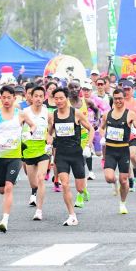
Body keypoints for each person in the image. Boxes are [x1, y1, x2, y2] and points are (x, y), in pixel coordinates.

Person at [0, 85, 36, 233]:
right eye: (4, 97)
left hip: (15, 156)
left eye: (9, 97)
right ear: (0, 98)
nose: (6, 100)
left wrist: (29, 133)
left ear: (14, 98)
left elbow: (33, 125)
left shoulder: (20, 114)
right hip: (0, 156)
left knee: (9, 187)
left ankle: (5, 220)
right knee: (2, 189)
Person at [48, 87, 95, 225]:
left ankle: (83, 190)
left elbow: (91, 129)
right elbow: (49, 132)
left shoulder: (76, 113)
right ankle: (72, 215)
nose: (58, 101)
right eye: (56, 98)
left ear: (66, 99)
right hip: (61, 155)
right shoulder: (53, 115)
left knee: (79, 188)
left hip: (76, 154)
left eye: (61, 98)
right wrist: (48, 142)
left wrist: (88, 145)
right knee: (65, 184)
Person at [22, 86, 52, 220]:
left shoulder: (47, 112)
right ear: (31, 97)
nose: (38, 99)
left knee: (41, 179)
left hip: (42, 149)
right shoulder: (25, 112)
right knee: (34, 184)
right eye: (36, 96)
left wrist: (50, 137)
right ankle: (34, 191)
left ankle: (39, 211)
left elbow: (52, 126)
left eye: (41, 96)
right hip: (28, 150)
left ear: (44, 98)